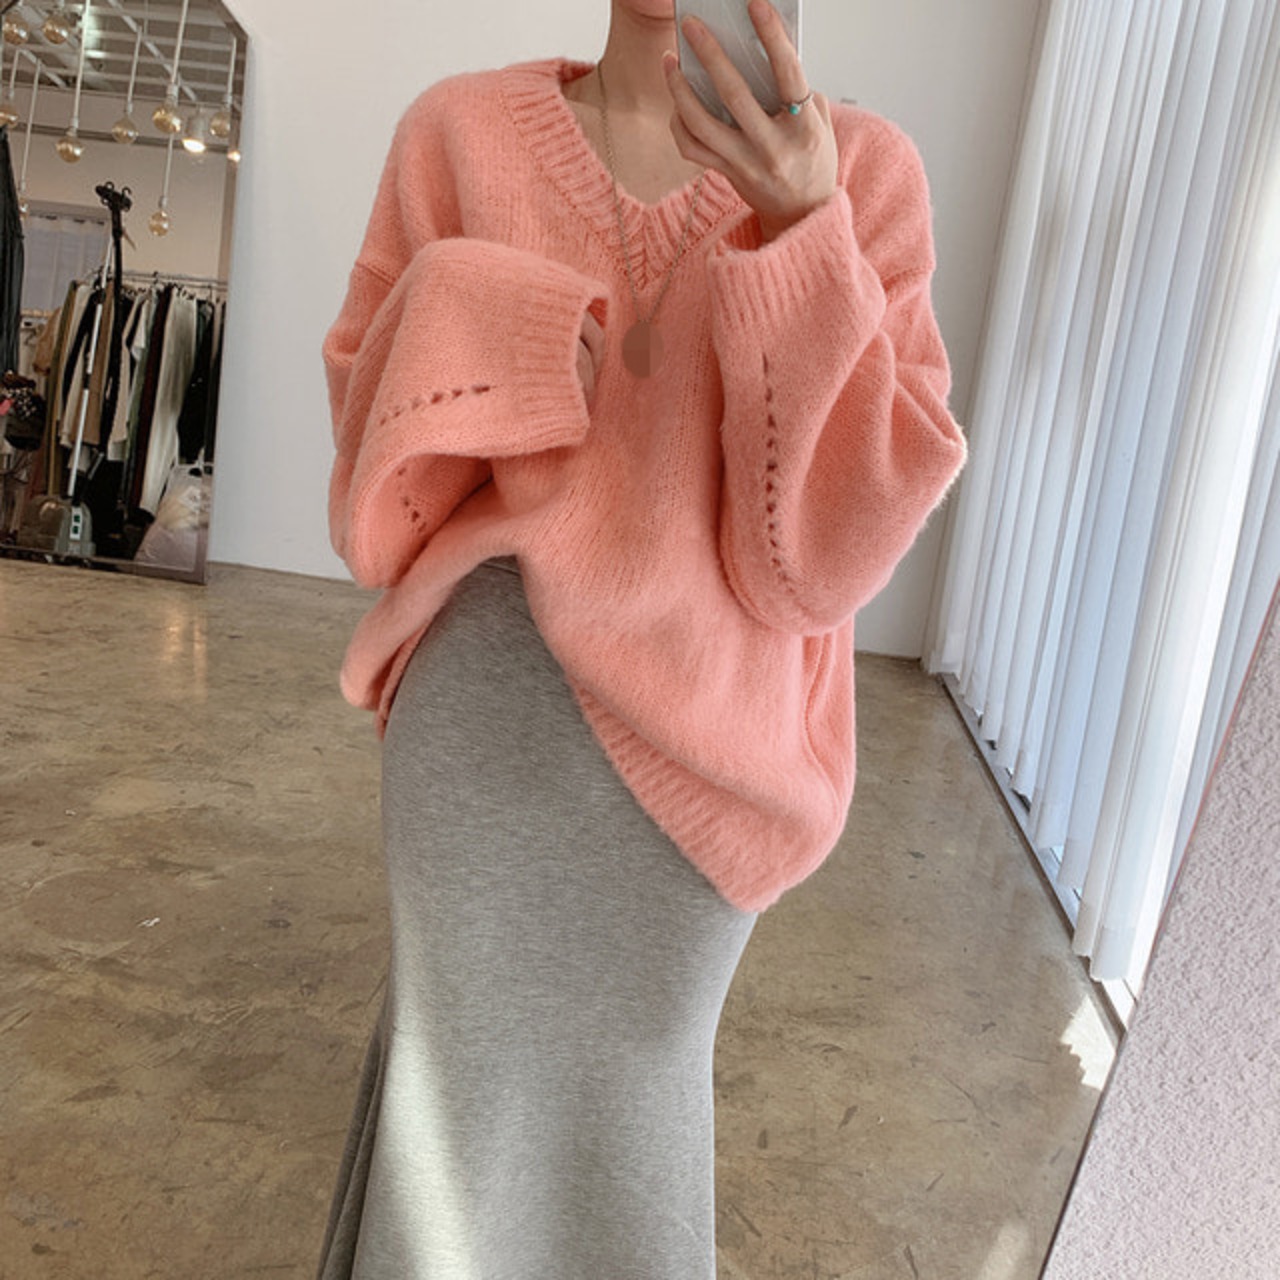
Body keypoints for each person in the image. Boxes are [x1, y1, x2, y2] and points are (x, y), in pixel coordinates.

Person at [315, 2, 967, 1276]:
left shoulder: (866, 175)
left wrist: (803, 231)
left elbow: (813, 568)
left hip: (710, 758)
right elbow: (373, 498)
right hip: (483, 716)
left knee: (633, 1096)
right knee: (454, 1096)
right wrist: (492, 329)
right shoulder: (455, 133)